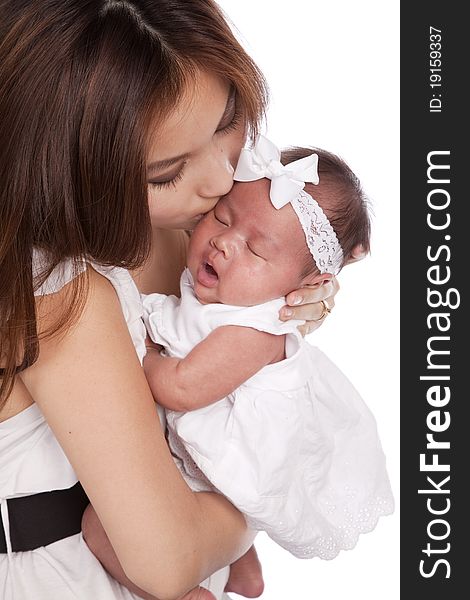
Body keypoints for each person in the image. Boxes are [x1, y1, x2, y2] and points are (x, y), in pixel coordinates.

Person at [0, 2, 340, 599]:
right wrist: (268, 495)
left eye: (227, 121)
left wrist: (271, 304)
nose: (218, 181)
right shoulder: (62, 296)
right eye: (166, 172)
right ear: (67, 171)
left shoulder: (189, 225)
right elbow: (167, 558)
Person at [139, 135, 394, 562]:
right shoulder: (219, 287)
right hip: (187, 451)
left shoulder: (255, 329)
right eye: (221, 218)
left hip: (228, 466)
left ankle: (184, 586)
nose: (224, 242)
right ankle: (238, 565)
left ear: (303, 287)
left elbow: (183, 389)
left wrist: (144, 355)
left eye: (256, 249)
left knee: (110, 530)